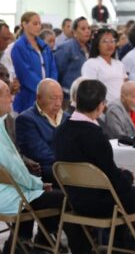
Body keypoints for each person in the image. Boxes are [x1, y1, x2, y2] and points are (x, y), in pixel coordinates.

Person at [54, 79, 135, 250]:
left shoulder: (61, 130)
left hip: (75, 199)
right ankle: (129, 247)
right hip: (104, 202)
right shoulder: (95, 136)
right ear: (101, 105)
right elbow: (116, 184)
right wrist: (126, 176)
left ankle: (118, 244)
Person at [0, 80, 90, 254]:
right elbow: (14, 171)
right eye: (6, 93)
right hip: (12, 194)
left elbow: (15, 165)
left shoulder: (4, 122)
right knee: (70, 199)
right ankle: (79, 248)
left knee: (63, 191)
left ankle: (26, 243)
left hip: (15, 190)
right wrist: (38, 185)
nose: (12, 98)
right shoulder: (24, 119)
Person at [15, 79, 67, 184]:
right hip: (46, 170)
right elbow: (39, 153)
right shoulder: (26, 119)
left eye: (60, 99)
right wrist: (69, 161)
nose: (58, 104)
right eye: (53, 98)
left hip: (70, 166)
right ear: (38, 97)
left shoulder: (67, 117)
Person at [11, 12, 57, 113]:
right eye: (35, 23)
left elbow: (53, 68)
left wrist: (52, 87)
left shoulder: (44, 46)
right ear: (24, 24)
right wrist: (43, 89)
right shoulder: (18, 47)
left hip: (47, 95)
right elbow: (25, 74)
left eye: (40, 24)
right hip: (29, 97)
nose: (39, 27)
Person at [81, 28, 127, 103]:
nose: (109, 45)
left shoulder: (119, 64)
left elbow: (125, 86)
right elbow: (90, 90)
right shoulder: (91, 64)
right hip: (101, 109)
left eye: (112, 41)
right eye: (105, 41)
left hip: (120, 108)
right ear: (97, 45)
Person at [55, 16, 91, 102]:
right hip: (69, 96)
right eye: (83, 29)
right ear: (74, 32)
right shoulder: (65, 48)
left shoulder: (91, 48)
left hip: (86, 95)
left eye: (88, 28)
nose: (87, 31)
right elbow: (58, 72)